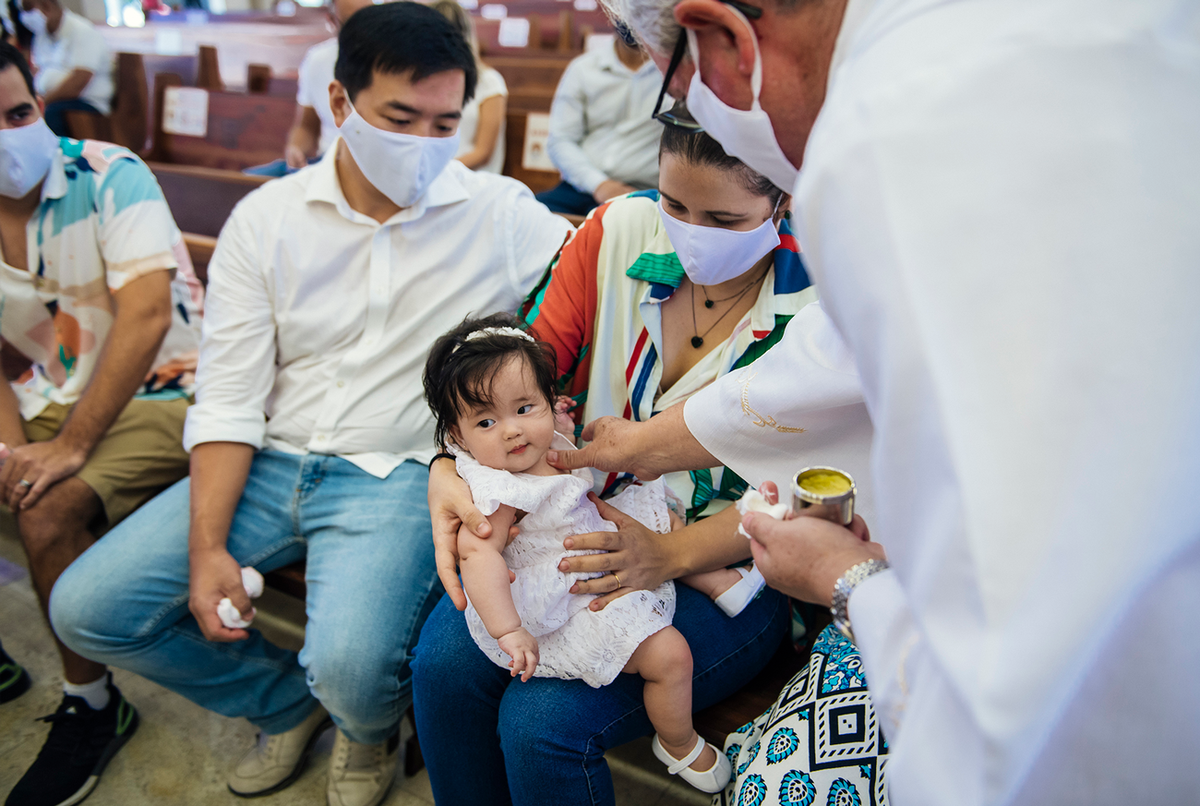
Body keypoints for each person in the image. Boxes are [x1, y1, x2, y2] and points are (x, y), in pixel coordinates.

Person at [554, 0, 1200, 802]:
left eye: (680, 88)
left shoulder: (884, 132)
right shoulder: (1008, 46)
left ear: (723, 39)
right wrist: (638, 446)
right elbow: (828, 369)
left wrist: (851, 582)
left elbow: (1017, 702)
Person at [48, 5, 572, 806]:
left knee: (353, 666)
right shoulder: (268, 217)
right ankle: (285, 706)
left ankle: (362, 727)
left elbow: (599, 271)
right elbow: (227, 398)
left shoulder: (499, 215)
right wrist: (206, 547)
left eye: (445, 122)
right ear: (340, 104)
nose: (425, 145)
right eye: (400, 118)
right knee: (86, 609)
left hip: (395, 473)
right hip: (269, 456)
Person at [414, 124, 872, 805]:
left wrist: (667, 554)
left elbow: (827, 495)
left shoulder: (824, 300)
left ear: (782, 199)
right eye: (674, 204)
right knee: (444, 664)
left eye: (723, 219)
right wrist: (446, 471)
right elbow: (497, 385)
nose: (689, 235)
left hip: (739, 559)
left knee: (540, 723)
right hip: (565, 531)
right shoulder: (618, 234)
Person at [0, 40, 202, 806]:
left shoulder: (110, 173)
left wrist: (69, 447)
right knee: (24, 480)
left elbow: (147, 314)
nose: (13, 135)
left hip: (161, 387)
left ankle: (91, 704)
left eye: (20, 113)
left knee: (48, 508)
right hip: (44, 390)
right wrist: (17, 451)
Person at [424, 313, 739, 793]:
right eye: (486, 421)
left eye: (525, 408)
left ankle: (708, 574)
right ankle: (677, 742)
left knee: (660, 511)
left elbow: (548, 428)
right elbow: (478, 557)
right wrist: (509, 630)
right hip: (568, 592)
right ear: (457, 437)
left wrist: (557, 420)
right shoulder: (498, 490)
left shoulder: (543, 435)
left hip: (597, 532)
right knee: (670, 656)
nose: (511, 431)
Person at [535, 21, 662, 216]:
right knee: (531, 212)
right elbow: (560, 140)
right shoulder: (583, 68)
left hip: (643, 191)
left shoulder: (674, 73)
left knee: (621, 226)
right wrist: (599, 184)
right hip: (582, 186)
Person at [244, 0, 375, 177]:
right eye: (350, 24)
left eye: (368, 21)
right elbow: (306, 126)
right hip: (324, 161)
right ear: (332, 21)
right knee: (246, 182)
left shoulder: (391, 64)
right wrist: (296, 148)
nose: (360, 32)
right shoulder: (317, 60)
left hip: (367, 166)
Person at [431, 0, 508, 174]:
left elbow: (483, 152)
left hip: (470, 177)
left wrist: (440, 171)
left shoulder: (489, 81)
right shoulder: (425, 81)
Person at [17, 0, 112, 136]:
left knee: (49, 113)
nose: (25, 16)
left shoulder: (82, 31)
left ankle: (59, 156)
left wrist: (42, 102)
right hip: (51, 101)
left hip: (86, 105)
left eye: (28, 9)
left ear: (46, 6)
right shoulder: (42, 36)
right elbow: (36, 72)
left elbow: (79, 81)